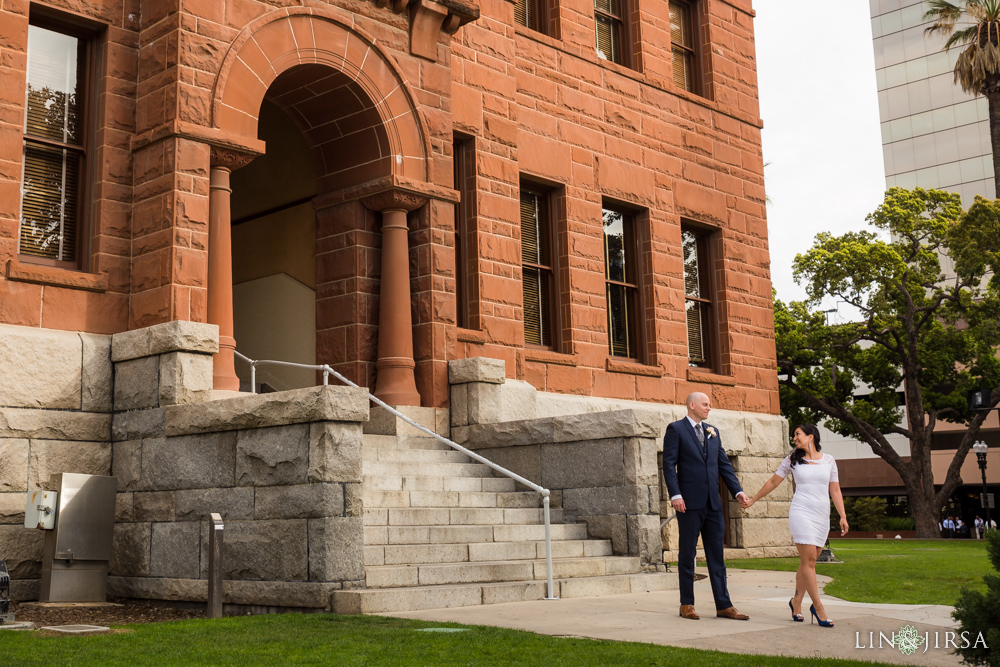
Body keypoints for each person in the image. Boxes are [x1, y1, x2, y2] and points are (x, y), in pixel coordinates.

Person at [744, 424, 848, 628]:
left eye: (797, 435)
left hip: (822, 516)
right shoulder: (792, 460)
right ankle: (818, 607)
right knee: (809, 561)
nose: (794, 438)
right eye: (794, 436)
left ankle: (796, 601)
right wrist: (754, 499)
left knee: (808, 561)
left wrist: (842, 516)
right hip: (801, 512)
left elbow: (834, 490)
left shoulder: (829, 460)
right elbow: (774, 481)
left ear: (811, 437)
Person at [663, 392, 751, 621]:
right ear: (691, 405)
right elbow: (669, 464)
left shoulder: (713, 432)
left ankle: (724, 605)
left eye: (709, 405)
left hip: (714, 504)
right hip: (688, 503)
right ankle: (687, 604)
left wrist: (738, 492)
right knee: (687, 554)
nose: (708, 408)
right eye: (705, 404)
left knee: (717, 556)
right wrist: (675, 494)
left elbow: (723, 465)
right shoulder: (676, 429)